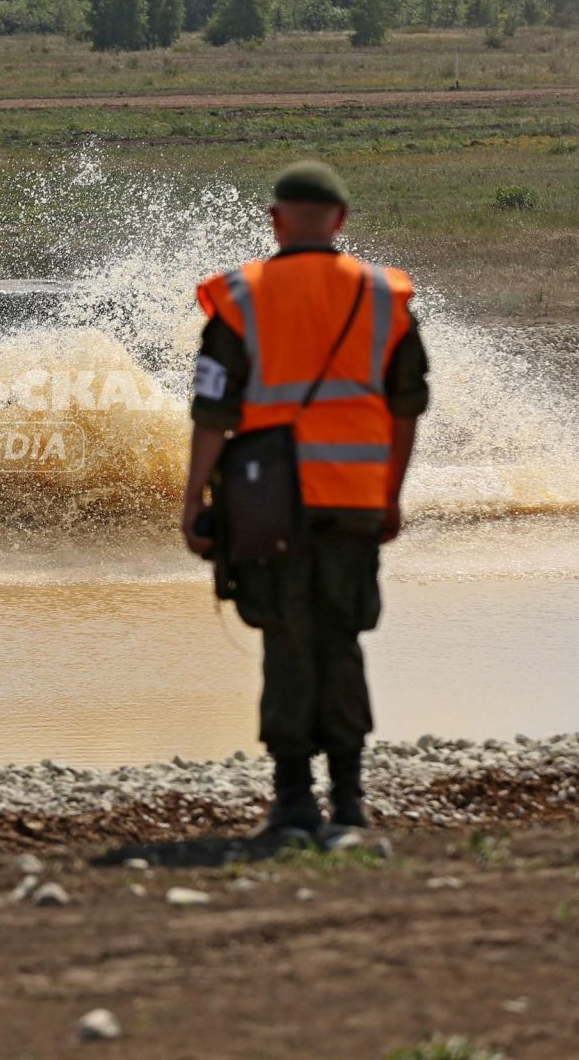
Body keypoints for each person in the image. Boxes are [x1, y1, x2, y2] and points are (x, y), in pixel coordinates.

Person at [181, 161, 429, 837]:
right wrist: (391, 494)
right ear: (341, 220)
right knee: (340, 639)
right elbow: (407, 408)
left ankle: (292, 800)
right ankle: (349, 800)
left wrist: (193, 502)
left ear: (276, 219)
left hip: (269, 502)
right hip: (353, 500)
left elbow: (212, 411)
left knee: (287, 642)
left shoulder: (241, 297)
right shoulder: (384, 296)